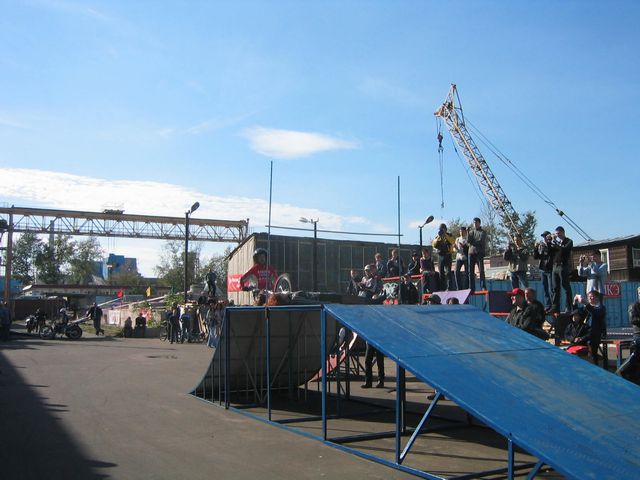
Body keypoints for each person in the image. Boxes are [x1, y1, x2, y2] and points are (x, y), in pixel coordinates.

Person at [549, 226, 573, 314]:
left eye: (558, 233)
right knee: (555, 288)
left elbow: (563, 250)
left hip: (563, 266)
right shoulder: (556, 242)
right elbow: (550, 252)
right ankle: (555, 307)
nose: (557, 235)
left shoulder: (569, 241)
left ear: (563, 232)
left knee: (566, 287)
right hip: (555, 266)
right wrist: (548, 242)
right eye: (556, 234)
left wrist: (555, 242)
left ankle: (568, 307)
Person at [583, 290, 607, 367]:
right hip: (585, 334)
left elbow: (595, 312)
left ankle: (595, 367)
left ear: (597, 298)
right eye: (588, 297)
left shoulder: (601, 308)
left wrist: (586, 304)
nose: (590, 298)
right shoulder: (587, 308)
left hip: (595, 335)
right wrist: (574, 303)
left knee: (593, 353)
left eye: (592, 296)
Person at [533, 231, 553, 310]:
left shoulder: (552, 244)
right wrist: (536, 248)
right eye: (544, 237)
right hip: (542, 269)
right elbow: (536, 257)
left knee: (551, 289)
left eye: (546, 237)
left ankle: (553, 306)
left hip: (550, 269)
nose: (545, 238)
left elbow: (550, 253)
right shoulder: (541, 246)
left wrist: (548, 243)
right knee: (545, 289)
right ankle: (548, 305)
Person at [467, 217, 488, 292]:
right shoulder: (471, 232)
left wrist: (472, 242)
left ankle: (483, 286)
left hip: (479, 253)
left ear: (479, 223)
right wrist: (468, 232)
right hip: (471, 253)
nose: (475, 224)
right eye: (474, 223)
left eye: (476, 223)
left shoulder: (483, 232)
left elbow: (480, 241)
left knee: (481, 271)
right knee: (470, 272)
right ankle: (471, 288)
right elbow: (468, 241)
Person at [454, 226, 469, 290]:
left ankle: (466, 287)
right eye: (460, 231)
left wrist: (464, 246)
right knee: (456, 271)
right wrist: (456, 248)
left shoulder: (467, 238)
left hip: (465, 257)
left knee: (467, 272)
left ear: (465, 232)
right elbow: (455, 249)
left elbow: (468, 246)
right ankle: (459, 287)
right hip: (459, 257)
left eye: (463, 231)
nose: (461, 233)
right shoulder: (457, 239)